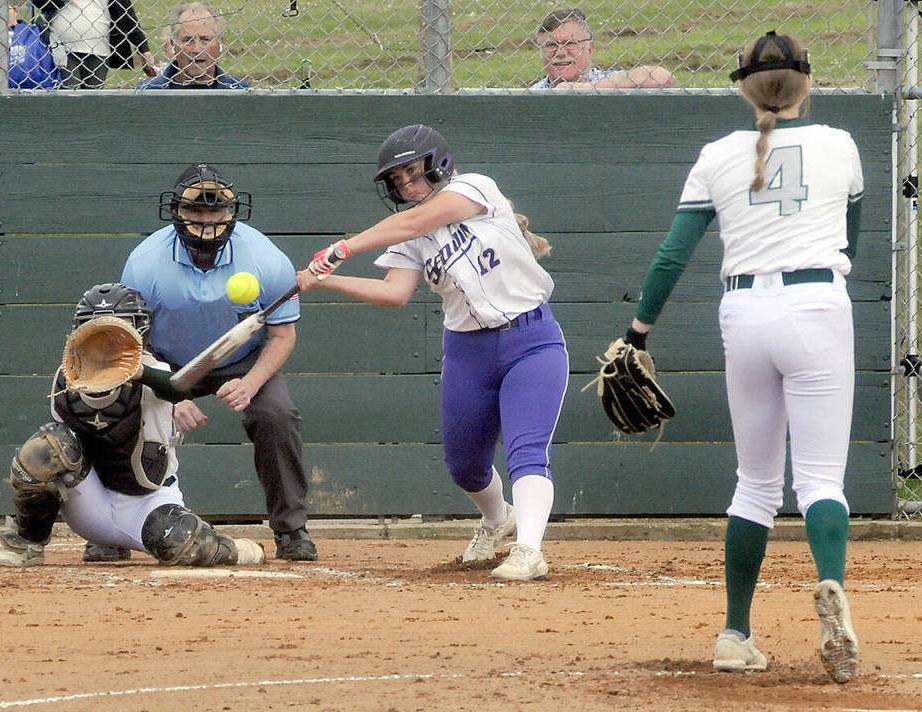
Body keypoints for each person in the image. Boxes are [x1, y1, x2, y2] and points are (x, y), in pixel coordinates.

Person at [617, 32, 862, 683]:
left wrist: (639, 332)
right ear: (805, 84)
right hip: (817, 303)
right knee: (819, 481)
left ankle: (734, 633)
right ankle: (830, 585)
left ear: (744, 88)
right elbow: (853, 242)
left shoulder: (717, 155)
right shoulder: (839, 144)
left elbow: (673, 255)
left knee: (755, 483)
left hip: (744, 312)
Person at [296, 125, 569, 582]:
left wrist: (342, 248)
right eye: (397, 181)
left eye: (411, 173)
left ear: (437, 163)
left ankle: (529, 550)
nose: (405, 185)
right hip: (467, 350)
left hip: (531, 341)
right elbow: (394, 293)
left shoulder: (475, 187)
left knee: (527, 451)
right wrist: (324, 280)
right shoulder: (409, 235)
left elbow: (412, 221)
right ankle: (496, 518)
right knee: (464, 465)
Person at [0, 283, 266, 569]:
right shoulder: (67, 375)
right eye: (95, 328)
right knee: (47, 449)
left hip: (146, 503)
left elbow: (177, 390)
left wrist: (139, 372)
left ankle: (235, 548)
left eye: (117, 329)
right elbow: (63, 442)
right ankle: (27, 544)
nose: (106, 340)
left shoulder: (154, 370)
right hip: (89, 500)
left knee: (184, 545)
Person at [121, 164, 317, 561]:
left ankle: (292, 530)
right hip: (167, 363)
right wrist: (169, 396)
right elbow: (129, 345)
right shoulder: (144, 263)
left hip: (242, 358)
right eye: (195, 210)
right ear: (176, 211)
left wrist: (252, 383)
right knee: (120, 412)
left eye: (216, 211)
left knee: (276, 415)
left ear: (232, 212)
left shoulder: (265, 258)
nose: (206, 220)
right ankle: (112, 531)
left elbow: (283, 335)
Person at [530, 8, 675, 90]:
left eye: (570, 43)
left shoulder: (612, 81)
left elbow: (663, 78)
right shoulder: (531, 94)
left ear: (590, 48)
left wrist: (583, 89)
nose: (561, 53)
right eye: (551, 45)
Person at [136, 3, 248, 90]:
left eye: (205, 40)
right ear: (173, 44)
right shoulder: (147, 93)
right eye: (188, 40)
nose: (197, 50)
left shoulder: (239, 91)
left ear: (220, 43)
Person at [46, 0, 155, 89]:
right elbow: (40, 4)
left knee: (93, 99)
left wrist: (143, 48)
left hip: (99, 49)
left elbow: (126, 13)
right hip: (61, 48)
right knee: (69, 93)